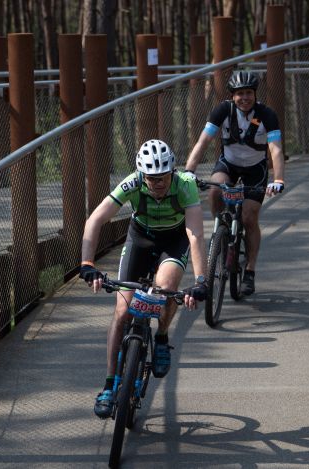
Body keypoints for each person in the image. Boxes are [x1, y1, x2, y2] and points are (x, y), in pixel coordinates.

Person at [80, 139, 209, 419]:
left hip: (173, 242)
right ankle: (109, 385)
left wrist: (201, 280)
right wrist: (87, 264)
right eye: (151, 178)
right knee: (122, 311)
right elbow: (95, 220)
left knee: (166, 289)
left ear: (172, 172)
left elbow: (195, 235)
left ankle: (161, 336)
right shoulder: (133, 183)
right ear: (142, 174)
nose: (158, 184)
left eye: (163, 177)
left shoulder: (185, 185)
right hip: (140, 239)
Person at [184, 70, 285, 297]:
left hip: (255, 169)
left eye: (248, 93)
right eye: (240, 94)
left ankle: (249, 270)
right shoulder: (223, 110)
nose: (244, 98)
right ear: (232, 95)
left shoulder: (266, 114)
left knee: (249, 217)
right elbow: (203, 141)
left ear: (255, 94)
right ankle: (221, 229)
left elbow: (276, 149)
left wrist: (278, 179)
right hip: (228, 164)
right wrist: (189, 171)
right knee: (214, 191)